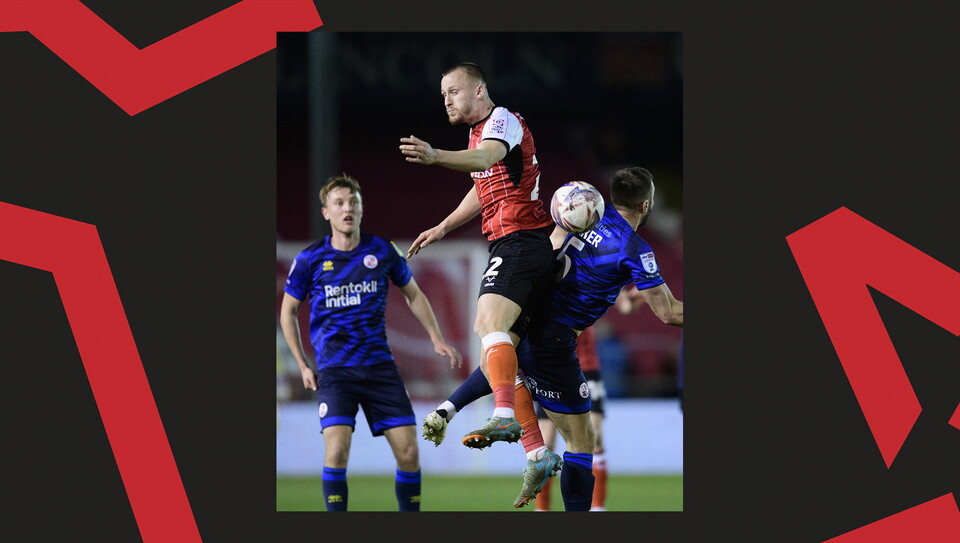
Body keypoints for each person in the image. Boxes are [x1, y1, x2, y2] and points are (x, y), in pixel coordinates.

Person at [423, 166, 683, 510]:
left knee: (505, 360)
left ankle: (451, 409)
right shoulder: (635, 248)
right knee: (581, 442)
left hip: (529, 319)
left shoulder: (583, 213)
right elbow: (669, 313)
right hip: (555, 343)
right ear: (646, 205)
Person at [279, 175, 462, 511]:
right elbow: (287, 312)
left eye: (353, 202)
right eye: (339, 203)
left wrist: (437, 338)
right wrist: (303, 364)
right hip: (335, 372)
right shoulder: (310, 259)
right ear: (326, 212)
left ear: (362, 209)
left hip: (380, 369)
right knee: (336, 452)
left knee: (409, 453)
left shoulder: (382, 250)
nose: (347, 208)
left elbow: (413, 294)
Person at [399, 62, 554, 448]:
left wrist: (435, 156)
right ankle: (537, 453)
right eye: (443, 95)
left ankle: (503, 417)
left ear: (479, 91)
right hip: (516, 244)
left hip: (521, 240)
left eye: (453, 91)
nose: (446, 101)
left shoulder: (502, 120)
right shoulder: (477, 135)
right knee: (497, 354)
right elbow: (481, 185)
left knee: (488, 326)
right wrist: (444, 226)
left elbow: (485, 160)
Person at [533, 325, 610, 511]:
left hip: (587, 367)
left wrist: (638, 297)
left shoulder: (587, 295)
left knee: (595, 436)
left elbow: (624, 306)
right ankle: (541, 509)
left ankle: (597, 508)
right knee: (545, 442)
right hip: (553, 371)